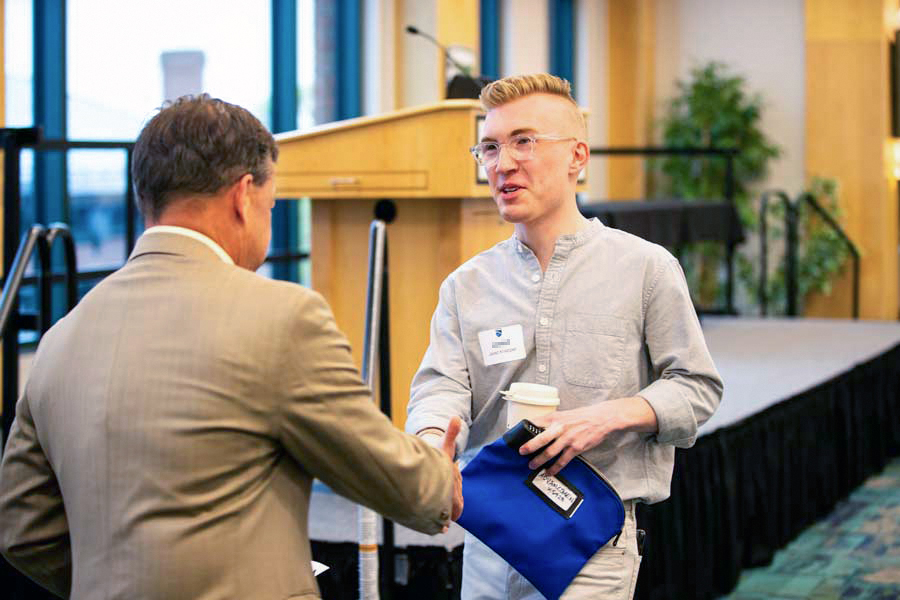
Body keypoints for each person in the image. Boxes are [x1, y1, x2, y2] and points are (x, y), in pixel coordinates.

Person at [0, 94, 463, 600]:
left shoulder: (61, 338)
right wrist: (437, 477)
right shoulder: (282, 317)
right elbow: (381, 471)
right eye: (271, 206)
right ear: (244, 196)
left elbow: (23, 529)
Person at [406, 73, 723, 599]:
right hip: (491, 536)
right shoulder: (467, 285)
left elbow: (697, 388)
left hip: (592, 542)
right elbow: (441, 387)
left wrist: (608, 416)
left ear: (577, 157)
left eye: (523, 141)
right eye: (489, 147)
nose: (502, 163)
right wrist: (429, 445)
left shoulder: (645, 268)